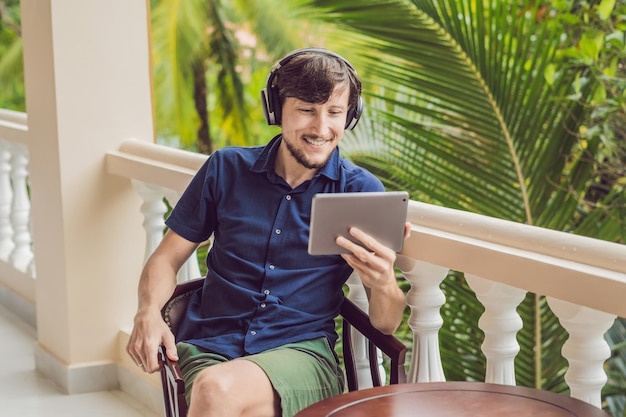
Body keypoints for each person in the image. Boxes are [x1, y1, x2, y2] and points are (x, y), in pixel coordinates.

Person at [126, 47, 409, 417]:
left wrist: (385, 281)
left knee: (216, 390)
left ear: (349, 117)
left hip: (302, 354)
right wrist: (147, 312)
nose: (321, 129)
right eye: (306, 110)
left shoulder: (360, 191)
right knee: (231, 396)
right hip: (211, 344)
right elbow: (166, 258)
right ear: (276, 109)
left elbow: (386, 322)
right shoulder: (225, 169)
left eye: (335, 113)